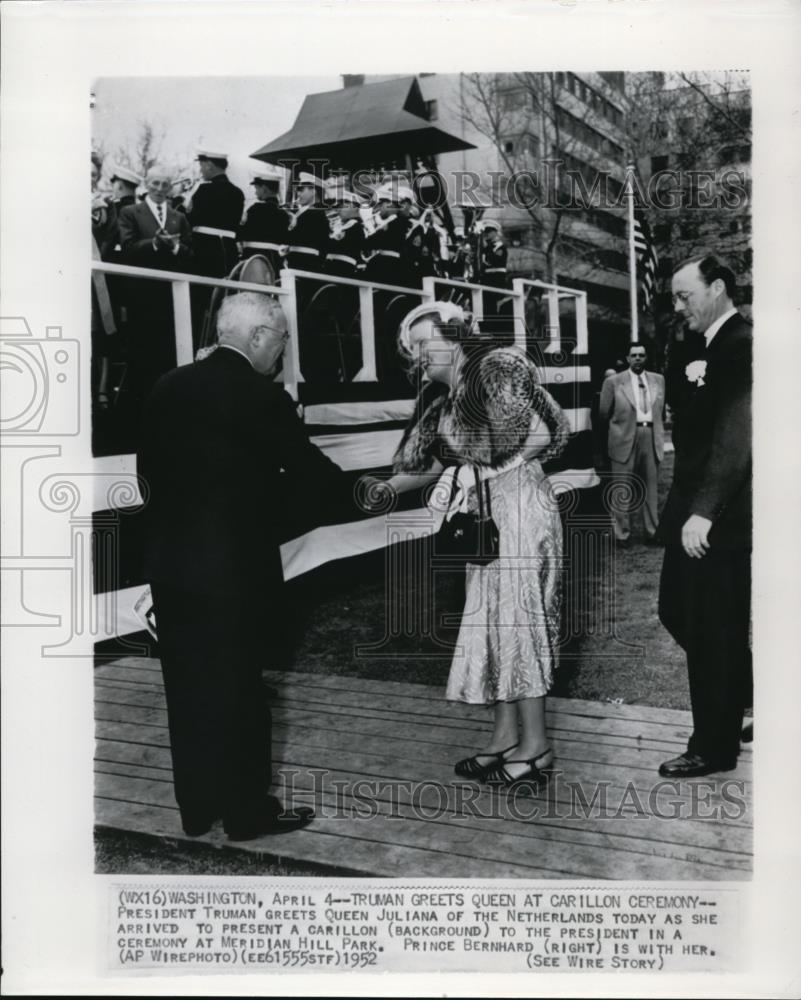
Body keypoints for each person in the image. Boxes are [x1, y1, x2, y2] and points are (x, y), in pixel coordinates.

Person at [137, 292, 349, 839]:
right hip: (235, 569)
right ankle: (246, 812)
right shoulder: (262, 397)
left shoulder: (167, 385)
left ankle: (197, 808)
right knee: (241, 691)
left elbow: (148, 478)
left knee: (186, 686)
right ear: (256, 337)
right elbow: (312, 479)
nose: (281, 351)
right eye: (281, 339)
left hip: (172, 565)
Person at [372, 301, 569, 788]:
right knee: (490, 622)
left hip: (520, 509)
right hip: (485, 516)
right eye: (410, 348)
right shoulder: (449, 397)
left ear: (455, 334)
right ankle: (505, 737)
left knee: (520, 622)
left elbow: (545, 433)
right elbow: (437, 461)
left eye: (424, 342)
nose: (417, 354)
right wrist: (388, 487)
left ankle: (536, 746)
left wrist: (486, 472)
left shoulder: (496, 371)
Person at [656, 256, 752, 779]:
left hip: (717, 519)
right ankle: (750, 693)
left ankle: (712, 748)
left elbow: (736, 442)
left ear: (716, 288)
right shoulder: (701, 346)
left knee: (712, 630)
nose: (678, 306)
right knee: (678, 610)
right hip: (694, 511)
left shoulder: (743, 345)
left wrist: (705, 513)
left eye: (684, 296)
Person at [117, 165, 193, 404]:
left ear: (170, 188)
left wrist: (176, 247)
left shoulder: (179, 217)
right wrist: (155, 244)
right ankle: (138, 409)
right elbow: (127, 248)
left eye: (165, 184)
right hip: (142, 297)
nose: (160, 189)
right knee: (141, 355)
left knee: (167, 354)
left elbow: (192, 255)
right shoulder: (130, 212)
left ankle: (166, 406)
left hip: (171, 299)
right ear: (146, 185)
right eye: (155, 184)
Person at [598, 342, 666, 545]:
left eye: (642, 355)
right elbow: (603, 413)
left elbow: (660, 412)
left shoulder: (658, 380)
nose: (638, 358)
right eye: (634, 355)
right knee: (622, 488)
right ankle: (621, 534)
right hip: (623, 436)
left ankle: (652, 532)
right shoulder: (614, 382)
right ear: (627, 358)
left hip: (651, 435)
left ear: (646, 358)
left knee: (650, 489)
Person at [364, 183, 414, 287]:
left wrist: (369, 226)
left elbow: (372, 242)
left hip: (389, 266)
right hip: (387, 263)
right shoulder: (391, 222)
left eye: (380, 204)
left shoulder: (396, 222)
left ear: (389, 204)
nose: (378, 209)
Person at [239, 171, 289, 276]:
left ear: (264, 189)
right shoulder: (284, 213)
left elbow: (241, 233)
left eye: (257, 188)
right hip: (274, 261)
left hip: (252, 258)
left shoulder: (254, 209)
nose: (255, 192)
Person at [285, 172, 330, 274]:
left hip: (306, 264)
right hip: (300, 263)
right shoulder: (306, 213)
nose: (298, 193)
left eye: (301, 190)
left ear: (313, 191)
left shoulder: (315, 213)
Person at [325, 190, 366, 279]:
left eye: (342, 206)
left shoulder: (356, 227)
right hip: (331, 268)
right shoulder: (341, 226)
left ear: (354, 207)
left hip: (342, 270)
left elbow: (340, 245)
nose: (338, 210)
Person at [478, 219, 508, 288]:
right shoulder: (485, 248)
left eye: (489, 231)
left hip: (497, 280)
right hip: (486, 280)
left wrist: (487, 248)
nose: (486, 234)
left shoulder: (500, 247)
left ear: (496, 232)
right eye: (485, 232)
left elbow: (494, 260)